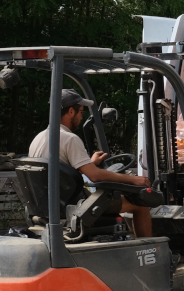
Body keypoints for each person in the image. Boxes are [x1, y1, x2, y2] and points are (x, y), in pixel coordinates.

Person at [30, 88, 152, 237]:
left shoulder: (39, 138)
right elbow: (95, 176)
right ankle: (148, 251)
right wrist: (135, 179)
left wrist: (90, 163)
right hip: (76, 206)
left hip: (51, 205)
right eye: (81, 112)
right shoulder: (70, 139)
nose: (82, 117)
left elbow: (61, 173)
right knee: (140, 204)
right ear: (70, 112)